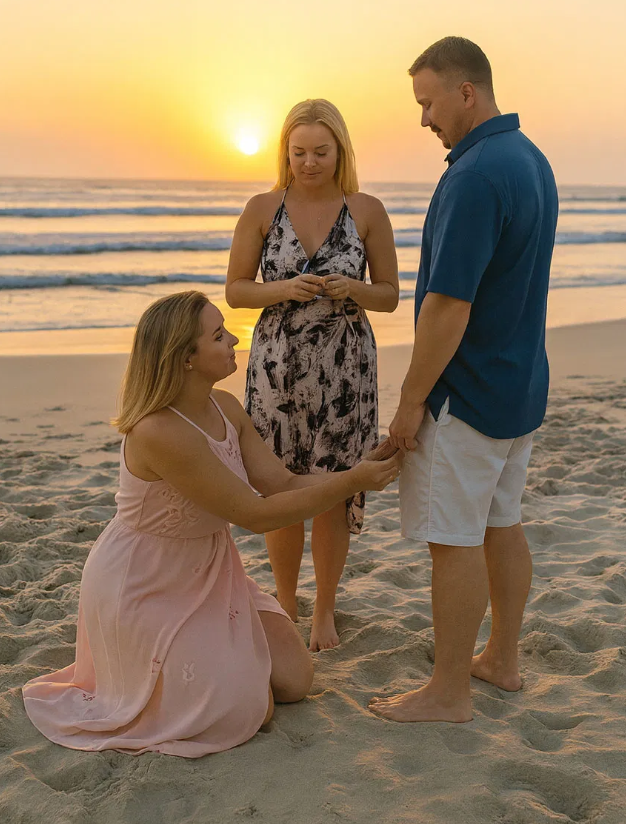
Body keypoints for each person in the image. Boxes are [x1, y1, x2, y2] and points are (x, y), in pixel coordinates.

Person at [22, 291, 402, 757]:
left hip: (210, 568)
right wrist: (352, 484)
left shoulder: (225, 406)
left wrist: (358, 471)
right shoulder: (158, 430)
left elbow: (280, 482)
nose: (235, 340)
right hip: (147, 581)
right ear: (185, 358)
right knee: (250, 710)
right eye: (219, 335)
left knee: (295, 681)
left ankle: (219, 663)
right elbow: (254, 515)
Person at [369, 37, 558, 723]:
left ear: (465, 93)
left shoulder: (477, 174)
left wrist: (410, 402)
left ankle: (448, 692)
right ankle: (500, 660)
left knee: (453, 539)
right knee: (500, 524)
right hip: (519, 385)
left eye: (428, 102)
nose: (424, 119)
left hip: (469, 393)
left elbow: (449, 306)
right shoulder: (530, 159)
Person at [226, 99, 399, 651]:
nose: (308, 162)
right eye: (298, 152)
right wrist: (284, 289)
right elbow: (235, 291)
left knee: (332, 487)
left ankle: (324, 607)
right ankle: (284, 599)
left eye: (320, 151)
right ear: (285, 153)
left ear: (340, 150)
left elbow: (392, 296)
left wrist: (354, 289)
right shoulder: (260, 208)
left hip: (346, 370)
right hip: (277, 369)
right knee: (282, 487)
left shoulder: (366, 209)